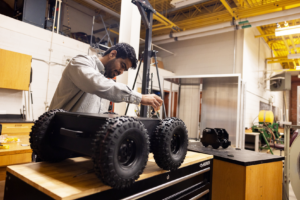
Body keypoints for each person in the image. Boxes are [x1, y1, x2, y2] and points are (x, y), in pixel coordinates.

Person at [49, 43, 163, 114]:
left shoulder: (106, 79)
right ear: (112, 54)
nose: (121, 72)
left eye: (124, 70)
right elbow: (96, 84)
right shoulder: (80, 62)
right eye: (122, 65)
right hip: (57, 135)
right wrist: (139, 97)